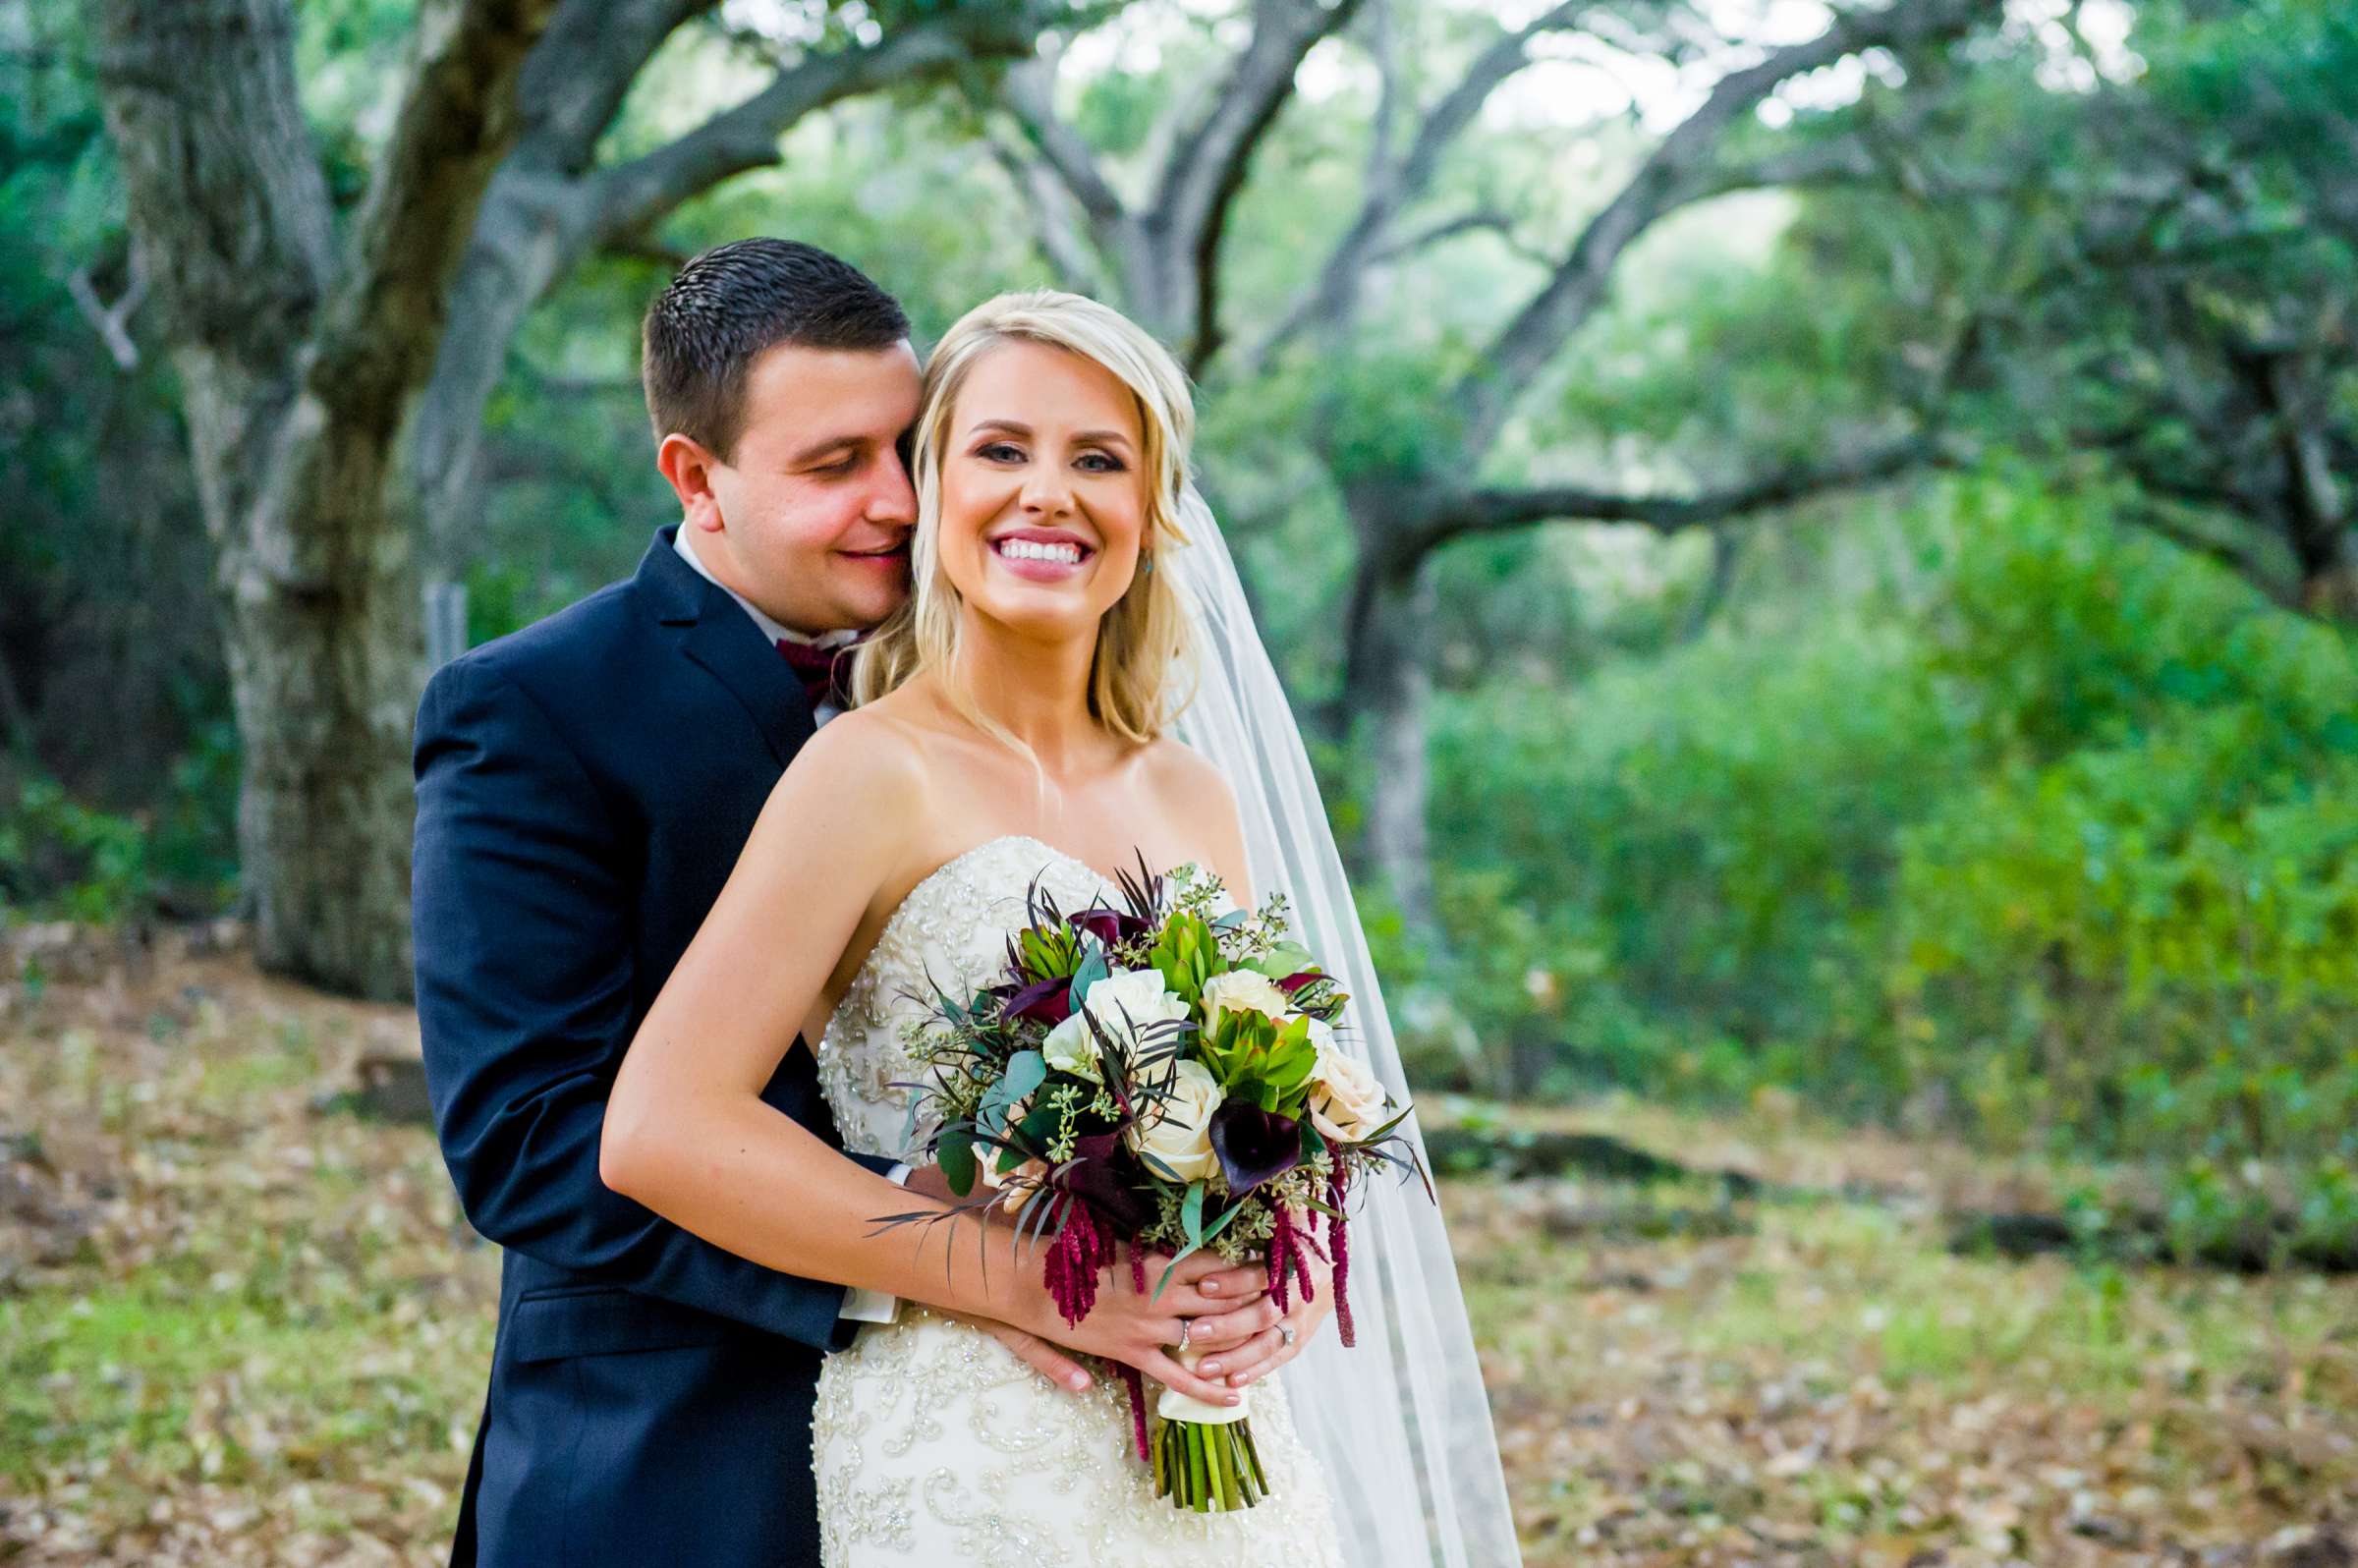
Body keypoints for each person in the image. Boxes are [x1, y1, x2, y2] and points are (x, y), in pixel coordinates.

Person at [600, 290, 1520, 1566]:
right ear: (933, 491)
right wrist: (1029, 1283)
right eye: (1000, 450)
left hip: (1222, 1447)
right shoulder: (866, 773)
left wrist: (1277, 1295)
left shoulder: (1192, 795)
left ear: (1152, 513)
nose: (1048, 492)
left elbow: (1278, 1137)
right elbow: (660, 1130)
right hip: (984, 1450)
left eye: (1098, 458)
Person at [411, 245, 1294, 1568]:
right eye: (833, 469)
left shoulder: (1054, 722)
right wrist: (975, 1271)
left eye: (910, 449)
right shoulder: (536, 708)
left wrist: (1234, 1280)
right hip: (683, 1446)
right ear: (697, 479)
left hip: (1071, 1444)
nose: (894, 501)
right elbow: (530, 1137)